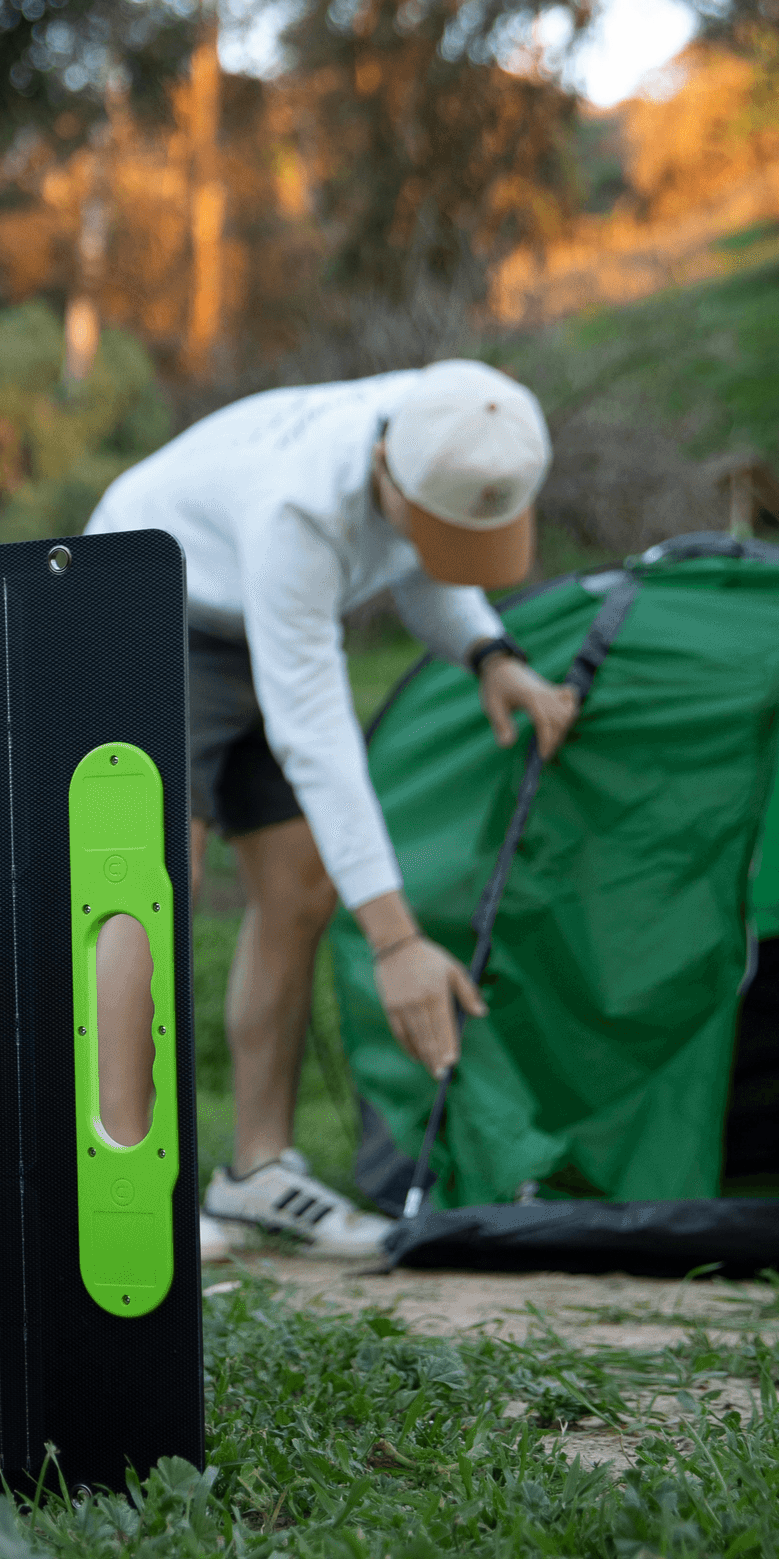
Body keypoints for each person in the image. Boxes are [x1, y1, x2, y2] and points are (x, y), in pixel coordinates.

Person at [83, 360, 577, 1259]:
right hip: (144, 595)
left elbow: (431, 559)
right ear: (386, 473)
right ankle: (121, 1173)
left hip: (259, 621)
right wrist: (395, 939)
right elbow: (312, 728)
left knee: (303, 888)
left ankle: (257, 1174)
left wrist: (488, 653)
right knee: (152, 877)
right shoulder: (299, 507)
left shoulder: (460, 419)